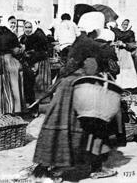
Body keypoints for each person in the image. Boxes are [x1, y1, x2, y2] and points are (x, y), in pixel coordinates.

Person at [33, 12, 122, 181]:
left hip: (68, 87)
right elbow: (113, 69)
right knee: (93, 128)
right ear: (95, 28)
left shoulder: (79, 42)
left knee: (61, 126)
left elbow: (67, 68)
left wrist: (56, 84)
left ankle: (48, 166)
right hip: (82, 88)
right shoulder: (93, 45)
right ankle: (95, 167)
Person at [0, 15, 25, 115]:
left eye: (14, 23)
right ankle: (12, 108)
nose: (13, 25)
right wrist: (21, 49)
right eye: (11, 23)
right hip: (7, 60)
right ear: (7, 22)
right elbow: (16, 51)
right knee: (13, 82)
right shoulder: (11, 35)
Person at [20, 20, 51, 116]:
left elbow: (44, 51)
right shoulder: (24, 38)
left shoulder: (39, 36)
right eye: (26, 27)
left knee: (38, 85)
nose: (28, 29)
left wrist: (31, 56)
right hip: (29, 64)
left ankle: (38, 109)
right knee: (29, 86)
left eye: (30, 27)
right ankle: (31, 107)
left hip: (40, 63)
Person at [110, 19, 137, 93]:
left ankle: (128, 89)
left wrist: (124, 44)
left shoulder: (130, 33)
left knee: (127, 71)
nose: (125, 26)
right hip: (116, 52)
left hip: (125, 53)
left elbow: (133, 45)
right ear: (120, 24)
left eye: (126, 24)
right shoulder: (114, 31)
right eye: (123, 24)